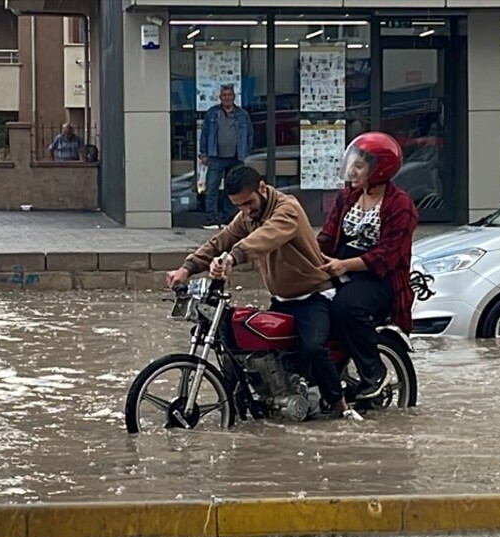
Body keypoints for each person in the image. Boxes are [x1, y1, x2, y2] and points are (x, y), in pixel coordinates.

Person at [166, 166, 360, 421]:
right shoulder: (247, 216)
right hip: (282, 300)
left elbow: (264, 238)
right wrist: (187, 268)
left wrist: (232, 258)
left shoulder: (287, 209)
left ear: (262, 188)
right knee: (244, 345)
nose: (246, 211)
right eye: (239, 206)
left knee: (313, 347)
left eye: (248, 203)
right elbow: (221, 241)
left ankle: (340, 406)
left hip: (314, 296)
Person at [318, 132, 418, 401]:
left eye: (359, 166)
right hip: (342, 265)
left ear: (379, 170)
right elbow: (327, 237)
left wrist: (344, 265)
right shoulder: (346, 197)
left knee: (346, 307)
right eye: (352, 163)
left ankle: (373, 371)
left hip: (379, 278)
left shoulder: (401, 205)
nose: (352, 171)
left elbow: (386, 256)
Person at [198, 84, 253, 230]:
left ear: (234, 97)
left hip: (236, 157)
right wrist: (203, 153)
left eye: (229, 95)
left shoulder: (242, 115)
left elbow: (250, 135)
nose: (227, 98)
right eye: (224, 95)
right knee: (211, 189)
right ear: (220, 97)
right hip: (215, 157)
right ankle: (212, 218)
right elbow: (205, 134)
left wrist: (245, 152)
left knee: (233, 188)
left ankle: (229, 218)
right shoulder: (212, 114)